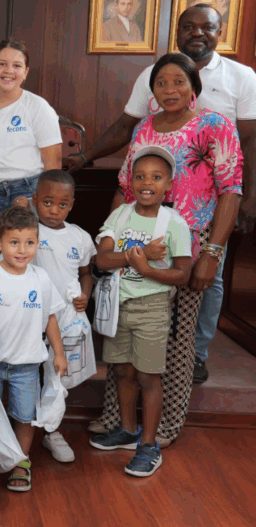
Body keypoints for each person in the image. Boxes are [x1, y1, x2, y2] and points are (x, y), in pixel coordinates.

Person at [64, 3, 256, 386]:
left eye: (207, 27)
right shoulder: (150, 103)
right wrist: (86, 155)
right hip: (150, 220)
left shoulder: (240, 79)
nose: (197, 33)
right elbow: (126, 130)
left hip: (203, 217)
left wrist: (249, 200)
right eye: (188, 26)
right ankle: (147, 366)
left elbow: (249, 142)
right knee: (151, 299)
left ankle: (194, 358)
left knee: (205, 285)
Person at [95, 54, 243, 446]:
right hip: (135, 243)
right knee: (125, 331)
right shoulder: (144, 128)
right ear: (152, 90)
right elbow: (126, 188)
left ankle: (161, 429)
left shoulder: (215, 125)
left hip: (189, 243)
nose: (170, 90)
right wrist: (108, 242)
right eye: (161, 83)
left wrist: (211, 253)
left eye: (179, 82)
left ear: (194, 87)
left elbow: (231, 189)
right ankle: (121, 421)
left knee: (174, 340)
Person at [90, 147, 192, 477]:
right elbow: (102, 260)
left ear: (169, 186)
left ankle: (148, 445)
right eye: (140, 176)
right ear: (130, 181)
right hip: (119, 305)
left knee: (148, 376)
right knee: (122, 371)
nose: (146, 183)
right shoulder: (120, 216)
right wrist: (141, 254)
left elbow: (182, 275)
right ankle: (128, 430)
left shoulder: (174, 223)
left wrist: (145, 268)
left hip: (152, 307)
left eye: (156, 177)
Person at [0, 206, 66, 492]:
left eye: (30, 243)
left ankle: (21, 462)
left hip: (27, 364)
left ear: (38, 243)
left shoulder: (41, 278)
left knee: (24, 416)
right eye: (14, 242)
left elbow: (50, 316)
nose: (22, 250)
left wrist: (58, 353)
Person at [30, 170, 96, 463]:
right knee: (28, 373)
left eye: (62, 204)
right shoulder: (28, 230)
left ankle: (52, 430)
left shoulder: (79, 237)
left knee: (57, 374)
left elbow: (86, 273)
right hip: (30, 316)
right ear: (34, 200)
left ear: (71, 204)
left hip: (65, 318)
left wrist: (85, 295)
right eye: (46, 202)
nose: (54, 211)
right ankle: (21, 427)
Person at [0, 40, 62, 243]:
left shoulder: (38, 107)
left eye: (17, 66)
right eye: (2, 64)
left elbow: (53, 165)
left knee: (25, 250)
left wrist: (40, 201)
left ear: (25, 72)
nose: (8, 71)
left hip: (30, 190)